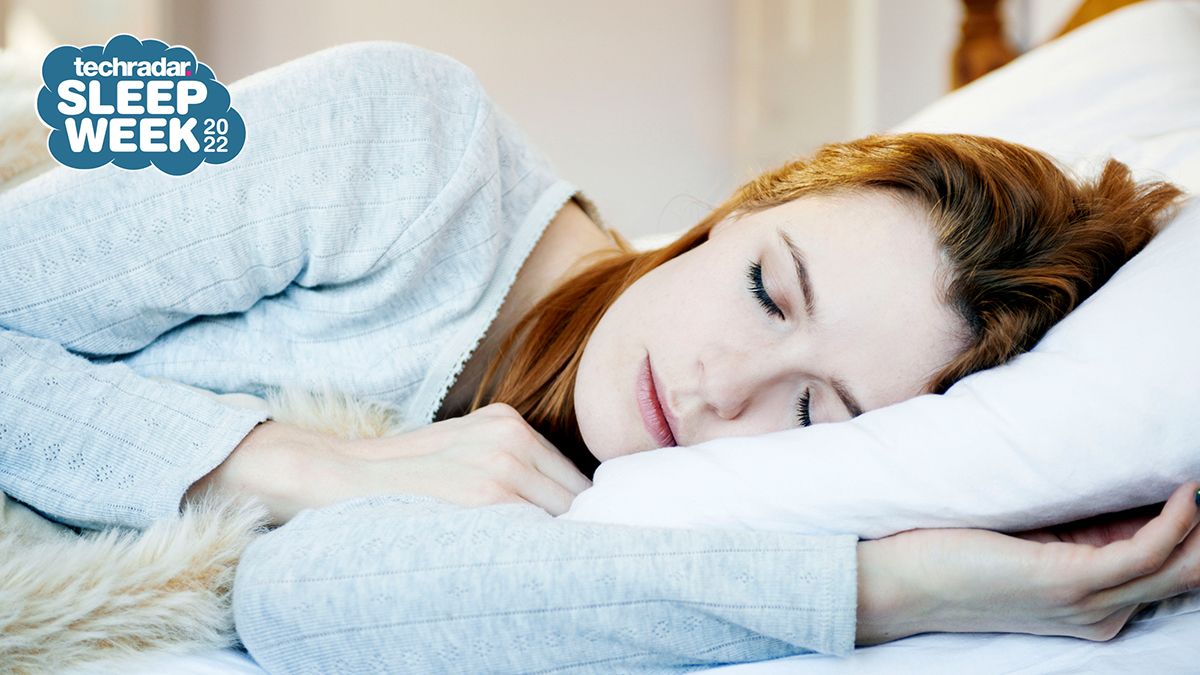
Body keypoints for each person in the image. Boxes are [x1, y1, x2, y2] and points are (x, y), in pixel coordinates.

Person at [0, 41, 1196, 673]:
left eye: (814, 416)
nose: (721, 387)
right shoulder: (404, 148)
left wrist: (890, 590)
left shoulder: (636, 509)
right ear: (743, 205)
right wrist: (300, 464)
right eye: (767, 289)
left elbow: (311, 605)